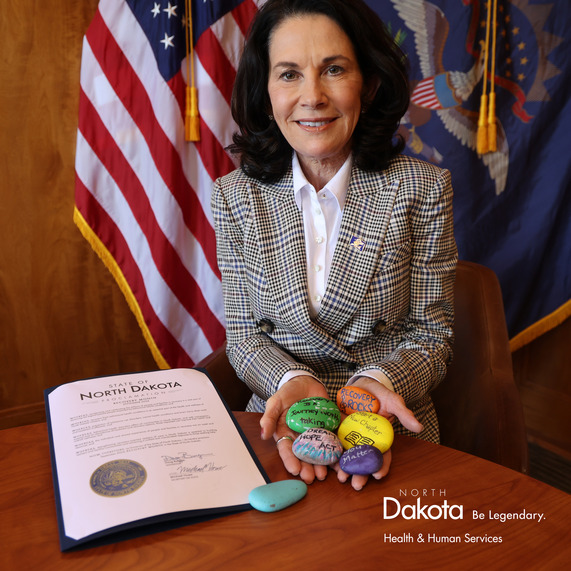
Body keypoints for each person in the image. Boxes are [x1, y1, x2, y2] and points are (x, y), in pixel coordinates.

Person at [211, 0, 457, 490]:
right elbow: (242, 336)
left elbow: (432, 337)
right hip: (282, 425)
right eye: (289, 75)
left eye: (334, 70)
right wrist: (293, 387)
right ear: (265, 95)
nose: (312, 96)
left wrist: (373, 389)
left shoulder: (424, 189)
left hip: (389, 426)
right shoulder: (233, 196)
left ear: (367, 84)